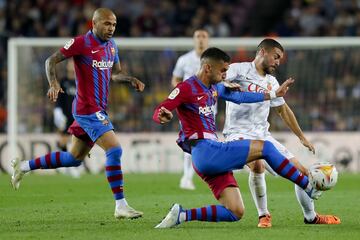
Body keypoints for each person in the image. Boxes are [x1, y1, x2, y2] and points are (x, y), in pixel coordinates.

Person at [152, 47, 321, 228]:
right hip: (204, 150)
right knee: (266, 148)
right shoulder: (186, 87)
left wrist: (272, 94)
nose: (226, 74)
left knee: (235, 211)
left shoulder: (215, 88)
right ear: (208, 68)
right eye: (223, 70)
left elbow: (240, 96)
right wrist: (162, 115)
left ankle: (182, 215)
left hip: (211, 155)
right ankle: (307, 186)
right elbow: (161, 109)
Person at [11, 8, 145, 219]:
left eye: (114, 25)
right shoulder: (81, 43)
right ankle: (121, 205)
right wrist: (54, 83)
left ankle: (24, 166)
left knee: (73, 158)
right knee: (115, 150)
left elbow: (116, 73)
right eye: (107, 24)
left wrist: (130, 79)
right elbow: (50, 61)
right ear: (94, 23)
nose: (111, 28)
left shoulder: (111, 46)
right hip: (87, 110)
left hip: (97, 109)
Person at [223, 38, 340, 227]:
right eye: (276, 57)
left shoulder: (271, 81)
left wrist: (301, 137)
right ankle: (264, 215)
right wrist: (225, 84)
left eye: (280, 59)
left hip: (263, 135)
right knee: (257, 164)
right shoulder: (239, 69)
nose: (278, 62)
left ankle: (311, 216)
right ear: (262, 51)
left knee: (303, 173)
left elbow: (282, 110)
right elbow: (219, 77)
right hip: (237, 133)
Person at [172, 29, 209, 190]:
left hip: (208, 107)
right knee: (192, 140)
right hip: (189, 108)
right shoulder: (184, 59)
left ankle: (192, 175)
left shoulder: (212, 60)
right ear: (193, 40)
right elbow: (175, 79)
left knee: (205, 142)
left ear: (208, 40)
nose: (201, 39)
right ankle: (186, 177)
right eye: (198, 36)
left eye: (204, 37)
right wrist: (182, 95)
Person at [54, 59, 81, 178]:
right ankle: (65, 165)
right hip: (66, 116)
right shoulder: (63, 82)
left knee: (78, 143)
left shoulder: (80, 81)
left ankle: (73, 166)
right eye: (70, 64)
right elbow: (59, 99)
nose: (72, 66)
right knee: (63, 141)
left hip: (78, 117)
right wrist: (58, 111)